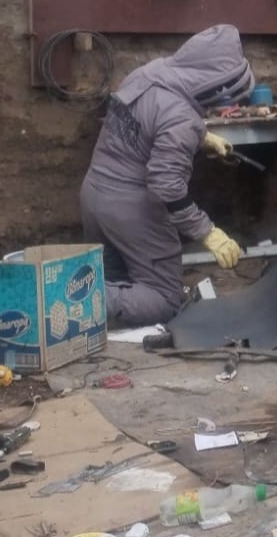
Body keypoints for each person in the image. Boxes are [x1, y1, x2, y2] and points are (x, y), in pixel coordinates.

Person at [80, 25, 255, 326]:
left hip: (94, 195)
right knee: (164, 298)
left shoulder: (150, 72)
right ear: (216, 83)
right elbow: (166, 187)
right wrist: (207, 232)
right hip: (131, 210)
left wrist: (202, 136)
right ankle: (70, 303)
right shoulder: (181, 119)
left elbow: (149, 120)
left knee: (114, 280)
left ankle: (80, 305)